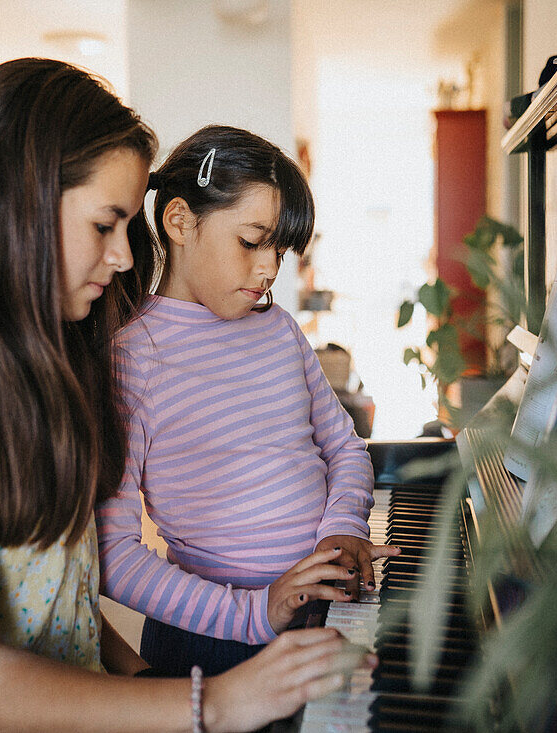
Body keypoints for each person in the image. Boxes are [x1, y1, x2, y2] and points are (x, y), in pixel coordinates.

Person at [0, 60, 367, 733]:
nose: (127, 256)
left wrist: (145, 680)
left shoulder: (26, 364)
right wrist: (213, 700)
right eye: (106, 225)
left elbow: (53, 600)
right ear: (18, 203)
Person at [98, 125, 399, 677]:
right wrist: (256, 613)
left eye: (279, 250)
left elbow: (345, 448)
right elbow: (114, 558)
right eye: (251, 241)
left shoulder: (278, 329)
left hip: (321, 610)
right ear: (180, 222)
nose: (269, 270)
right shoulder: (133, 359)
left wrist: (345, 528)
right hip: (213, 641)